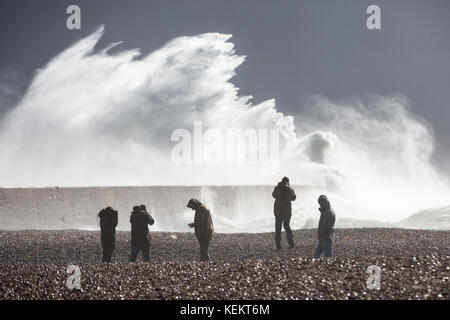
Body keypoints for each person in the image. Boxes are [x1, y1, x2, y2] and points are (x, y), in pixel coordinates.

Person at [272, 176, 296, 250]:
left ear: (282, 181)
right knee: (287, 227)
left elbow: (273, 195)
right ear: (288, 182)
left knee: (278, 228)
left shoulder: (277, 187)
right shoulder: (290, 189)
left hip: (278, 211)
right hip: (287, 212)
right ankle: (291, 244)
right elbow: (294, 198)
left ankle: (278, 246)